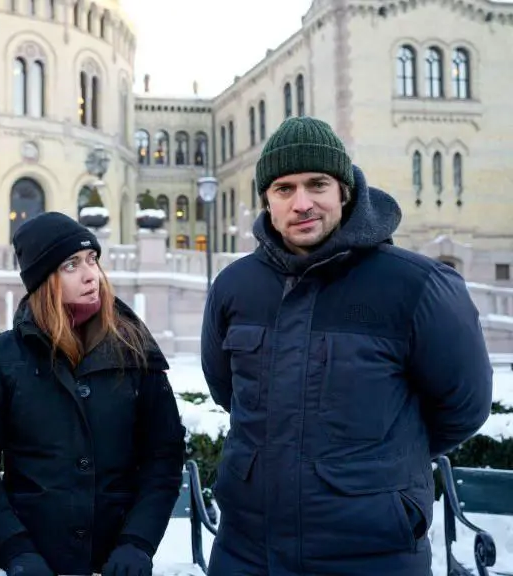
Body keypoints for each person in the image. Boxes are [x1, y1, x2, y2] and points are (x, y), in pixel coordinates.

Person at [200, 116, 493, 575]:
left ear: (345, 191)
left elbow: (464, 407)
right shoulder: (233, 287)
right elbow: (228, 391)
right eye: (284, 188)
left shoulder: (418, 286)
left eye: (317, 184)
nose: (302, 203)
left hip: (373, 554)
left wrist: (375, 474)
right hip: (247, 552)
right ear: (267, 201)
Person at [0, 212, 186, 576]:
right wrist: (14, 547)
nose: (91, 275)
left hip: (114, 562)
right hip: (29, 561)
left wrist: (137, 542)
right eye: (71, 265)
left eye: (92, 259)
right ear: (43, 279)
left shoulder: (135, 349)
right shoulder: (4, 357)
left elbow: (163, 457)